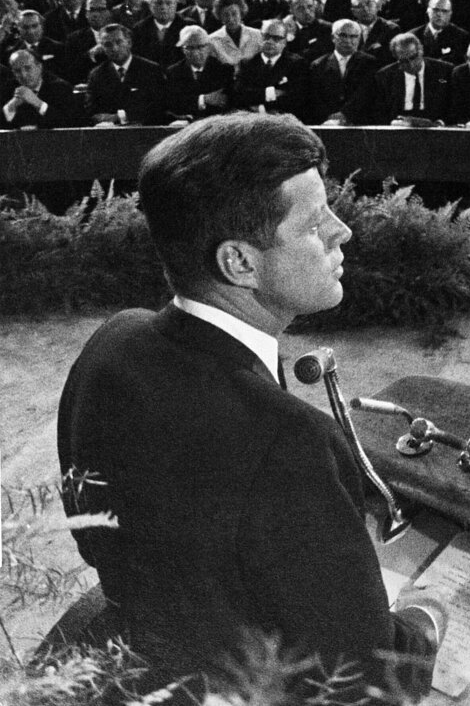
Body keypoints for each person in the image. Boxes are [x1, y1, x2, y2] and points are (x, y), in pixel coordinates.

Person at [57, 113, 433, 699]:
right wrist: (426, 622)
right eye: (313, 223)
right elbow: (369, 677)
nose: (343, 232)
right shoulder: (293, 443)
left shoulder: (113, 342)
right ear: (239, 263)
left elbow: (93, 533)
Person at [164, 25, 234, 121]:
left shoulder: (223, 70)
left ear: (209, 47)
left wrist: (192, 100)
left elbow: (226, 104)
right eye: (190, 48)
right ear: (183, 50)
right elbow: (173, 103)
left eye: (200, 47)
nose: (196, 53)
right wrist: (204, 99)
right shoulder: (173, 72)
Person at [2, 47, 81, 128]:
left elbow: (70, 122)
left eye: (28, 68)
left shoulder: (61, 88)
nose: (23, 75)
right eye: (17, 71)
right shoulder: (7, 89)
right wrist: (11, 106)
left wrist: (38, 103)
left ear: (39, 67)